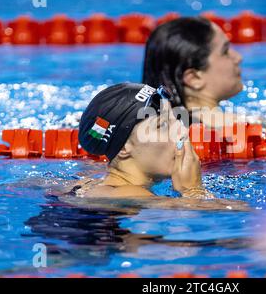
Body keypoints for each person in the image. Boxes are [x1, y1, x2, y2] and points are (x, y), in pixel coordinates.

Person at [67, 82, 248, 211]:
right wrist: (192, 190)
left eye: (175, 118)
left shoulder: (87, 184)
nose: (182, 129)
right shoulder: (130, 195)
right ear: (123, 149)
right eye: (162, 126)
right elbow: (242, 214)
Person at [142, 17, 244, 128]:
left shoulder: (155, 126)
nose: (238, 58)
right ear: (194, 78)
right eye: (225, 51)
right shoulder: (232, 124)